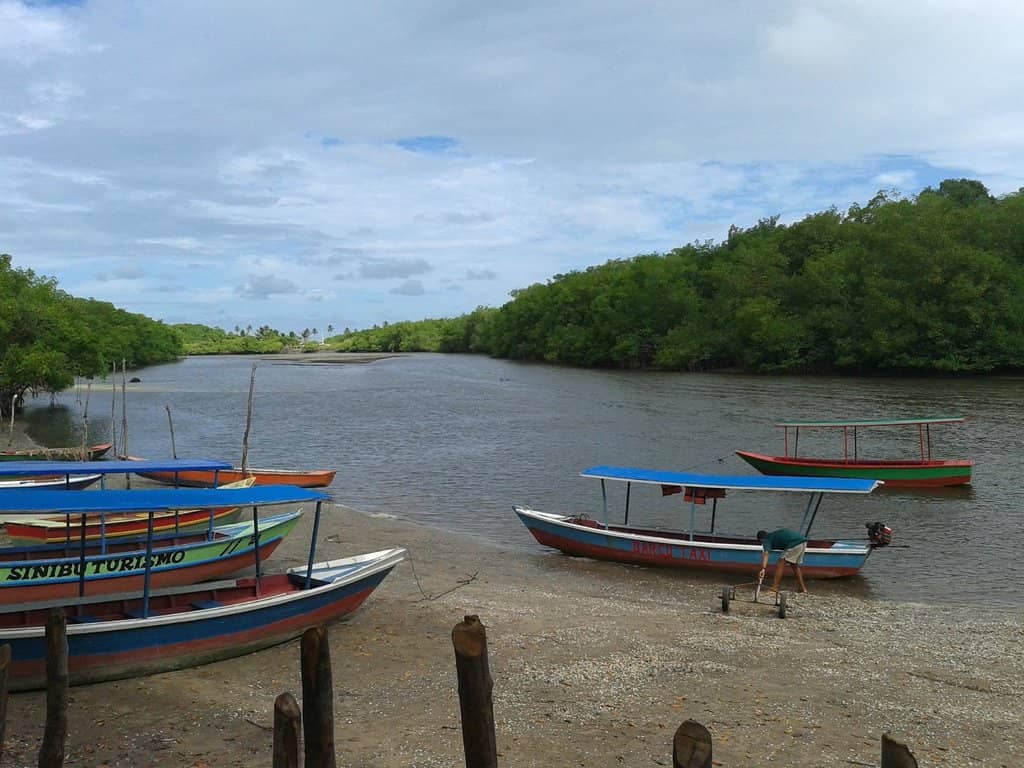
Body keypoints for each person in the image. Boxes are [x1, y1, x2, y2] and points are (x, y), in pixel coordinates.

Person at [757, 528, 808, 593]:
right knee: (794, 566)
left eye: (761, 542)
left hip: (794, 543)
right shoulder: (773, 535)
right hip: (803, 542)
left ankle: (774, 589)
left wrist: (763, 568)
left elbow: (766, 554)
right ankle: (803, 589)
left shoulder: (766, 540)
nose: (762, 544)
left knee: (780, 563)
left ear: (761, 539)